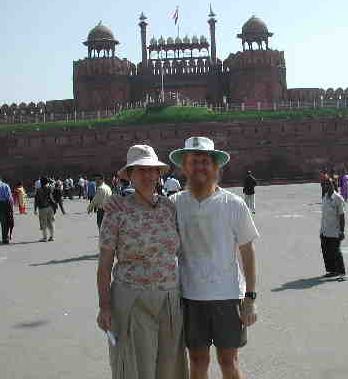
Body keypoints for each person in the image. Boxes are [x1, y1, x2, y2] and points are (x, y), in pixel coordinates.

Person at [169, 137, 259, 379]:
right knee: (197, 361)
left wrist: (250, 297)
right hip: (191, 296)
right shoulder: (175, 204)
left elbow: (247, 251)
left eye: (205, 161)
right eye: (194, 161)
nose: (200, 167)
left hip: (227, 295)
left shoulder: (233, 203)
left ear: (215, 167)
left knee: (228, 361)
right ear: (185, 167)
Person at [97, 144, 188, 379]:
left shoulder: (169, 207)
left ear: (159, 174)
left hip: (169, 297)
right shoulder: (117, 211)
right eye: (140, 170)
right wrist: (104, 306)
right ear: (130, 176)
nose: (147, 175)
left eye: (152, 170)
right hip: (133, 297)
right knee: (137, 367)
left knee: (169, 366)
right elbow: (105, 264)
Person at [320, 178, 347, 280]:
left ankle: (342, 273)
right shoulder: (325, 197)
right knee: (326, 252)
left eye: (329, 184)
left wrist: (342, 231)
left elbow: (341, 216)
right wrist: (321, 230)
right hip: (324, 230)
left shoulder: (338, 198)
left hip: (334, 232)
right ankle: (332, 271)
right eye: (325, 184)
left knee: (336, 253)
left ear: (333, 185)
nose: (327, 186)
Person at [34, 176, 56, 242]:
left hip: (42, 208)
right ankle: (52, 236)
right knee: (50, 222)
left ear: (41, 182)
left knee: (43, 223)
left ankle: (45, 237)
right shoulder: (49, 188)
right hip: (50, 207)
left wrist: (35, 209)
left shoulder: (38, 190)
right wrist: (54, 206)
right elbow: (52, 198)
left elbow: (36, 200)